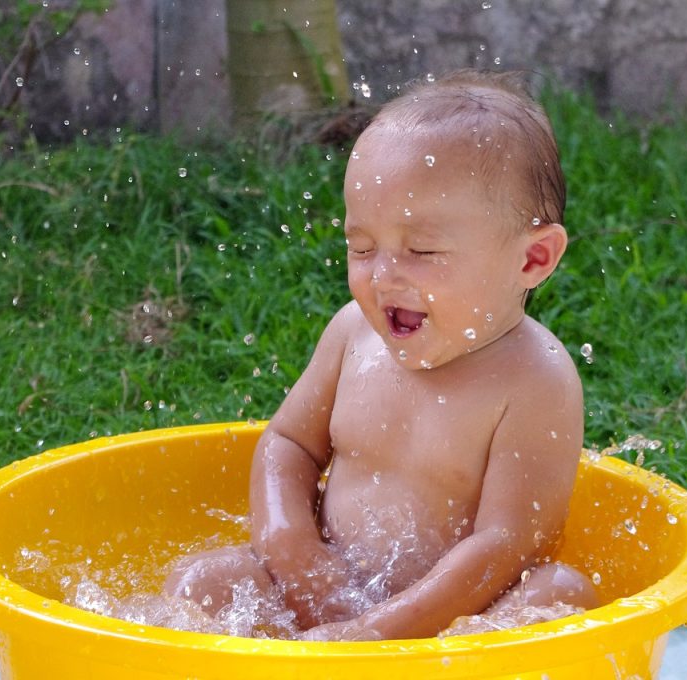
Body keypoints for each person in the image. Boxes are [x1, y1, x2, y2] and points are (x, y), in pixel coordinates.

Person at [164, 70, 598, 641]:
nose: (384, 276)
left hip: (455, 623)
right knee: (200, 581)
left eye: (421, 249)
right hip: (328, 592)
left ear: (532, 259)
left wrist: (380, 630)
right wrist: (295, 551)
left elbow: (508, 545)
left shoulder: (535, 379)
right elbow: (288, 444)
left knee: (561, 596)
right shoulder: (353, 335)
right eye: (361, 247)